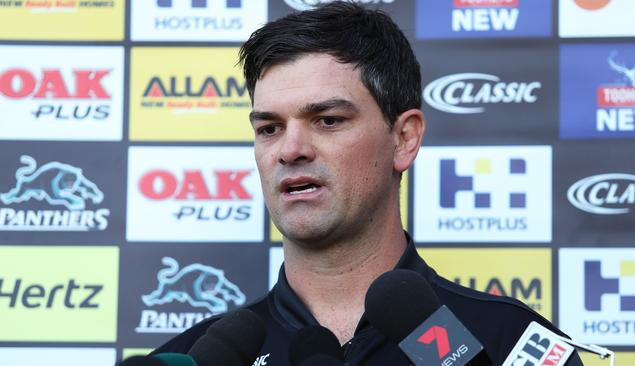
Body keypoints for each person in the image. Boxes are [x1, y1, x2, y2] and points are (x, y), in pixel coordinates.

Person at [153, 2, 583, 365]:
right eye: (269, 128)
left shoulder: (511, 342)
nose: (290, 149)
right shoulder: (200, 356)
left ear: (404, 139)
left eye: (328, 120)